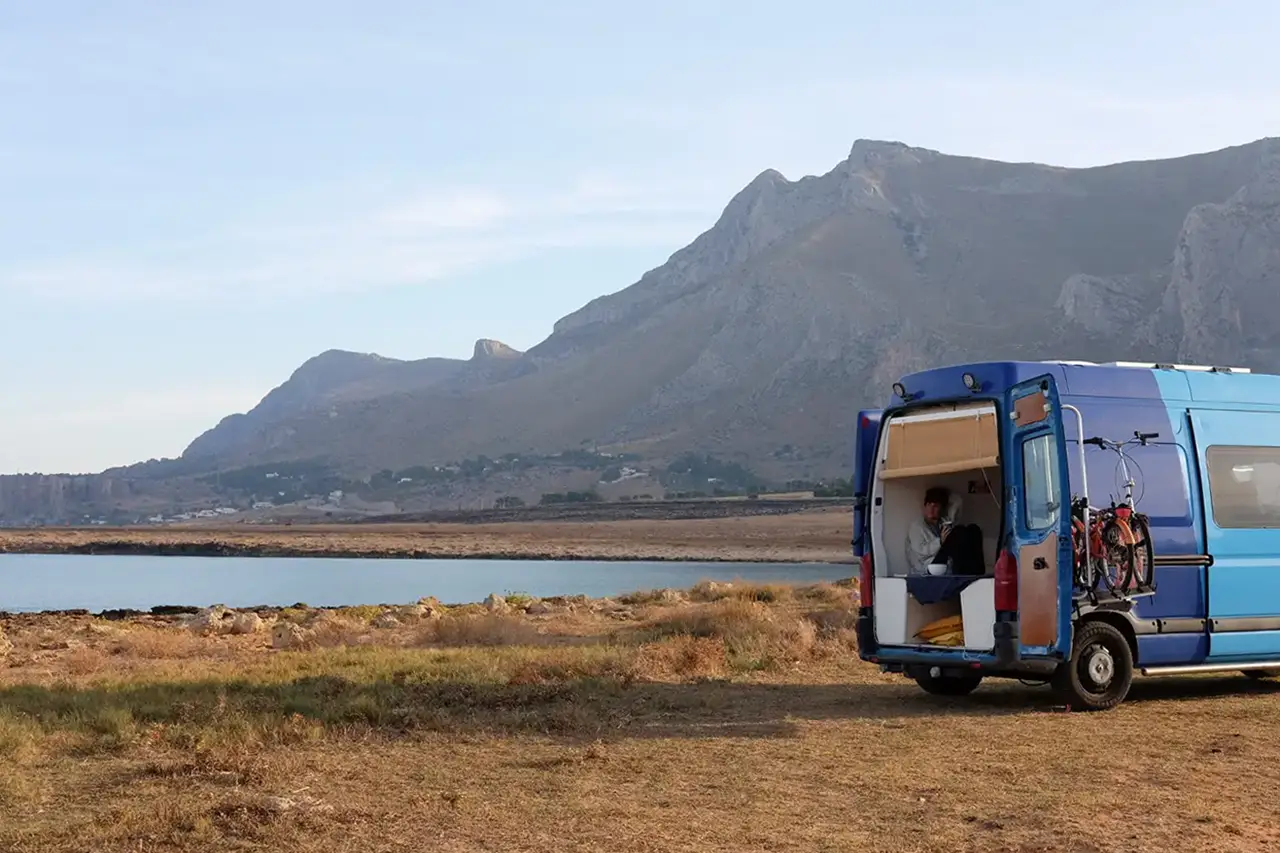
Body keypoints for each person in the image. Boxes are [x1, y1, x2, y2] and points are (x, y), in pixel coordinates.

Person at [905, 486, 986, 576]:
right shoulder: (917, 526)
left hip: (944, 563)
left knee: (973, 529)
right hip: (926, 566)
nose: (931, 509)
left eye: (936, 506)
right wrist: (940, 542)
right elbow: (922, 551)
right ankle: (962, 573)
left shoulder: (943, 521)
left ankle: (977, 572)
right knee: (958, 532)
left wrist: (945, 494)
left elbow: (957, 501)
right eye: (929, 505)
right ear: (925, 506)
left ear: (942, 508)